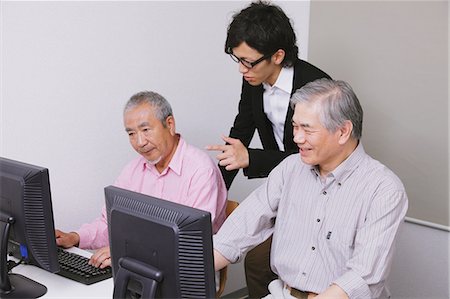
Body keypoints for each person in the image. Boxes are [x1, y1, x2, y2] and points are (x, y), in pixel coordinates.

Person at [213, 78, 408, 299]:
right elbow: (240, 229)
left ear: (343, 131)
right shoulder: (290, 168)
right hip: (283, 293)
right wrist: (186, 267)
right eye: (295, 126)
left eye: (307, 129)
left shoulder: (383, 189)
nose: (297, 138)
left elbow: (362, 277)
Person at [206, 1, 331, 297]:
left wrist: (252, 159)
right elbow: (239, 136)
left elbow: (317, 159)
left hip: (322, 196)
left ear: (278, 55)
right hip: (287, 191)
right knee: (259, 264)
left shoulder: (318, 87)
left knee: (266, 264)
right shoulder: (253, 80)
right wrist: (211, 204)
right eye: (237, 59)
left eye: (248, 62)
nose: (241, 69)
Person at [55, 91, 227, 268]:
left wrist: (125, 252)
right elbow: (110, 223)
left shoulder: (201, 170)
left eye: (146, 130)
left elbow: (188, 240)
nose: (139, 142)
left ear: (169, 124)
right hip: (138, 267)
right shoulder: (133, 170)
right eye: (131, 134)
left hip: (187, 269)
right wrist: (75, 237)